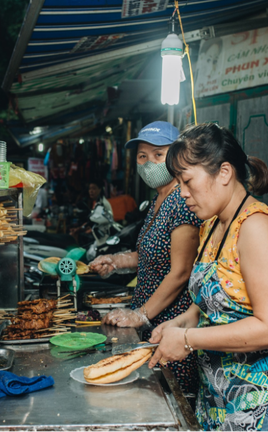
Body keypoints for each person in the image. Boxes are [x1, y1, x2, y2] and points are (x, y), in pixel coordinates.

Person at [149, 123, 268, 432]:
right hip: (223, 389)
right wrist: (181, 323)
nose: (182, 193)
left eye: (187, 181)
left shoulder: (258, 229)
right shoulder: (213, 225)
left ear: (224, 173)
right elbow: (212, 305)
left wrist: (187, 340)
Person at [89, 121, 202, 395]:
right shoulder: (157, 201)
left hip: (170, 325)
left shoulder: (182, 202)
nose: (149, 163)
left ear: (177, 157)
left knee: (169, 399)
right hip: (149, 321)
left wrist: (141, 314)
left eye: (158, 155)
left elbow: (181, 270)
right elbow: (149, 255)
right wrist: (115, 261)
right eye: (143, 156)